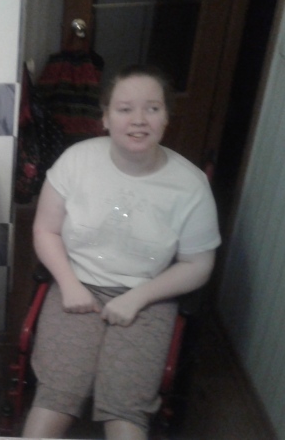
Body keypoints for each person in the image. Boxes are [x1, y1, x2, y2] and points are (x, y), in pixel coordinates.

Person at [21, 64, 220, 440]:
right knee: (57, 393)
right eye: (125, 109)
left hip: (148, 295)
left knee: (125, 405)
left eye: (152, 108)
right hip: (78, 284)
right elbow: (45, 230)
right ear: (106, 118)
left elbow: (198, 263)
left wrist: (137, 298)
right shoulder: (76, 161)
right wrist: (70, 284)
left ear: (166, 118)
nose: (138, 120)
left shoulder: (190, 186)